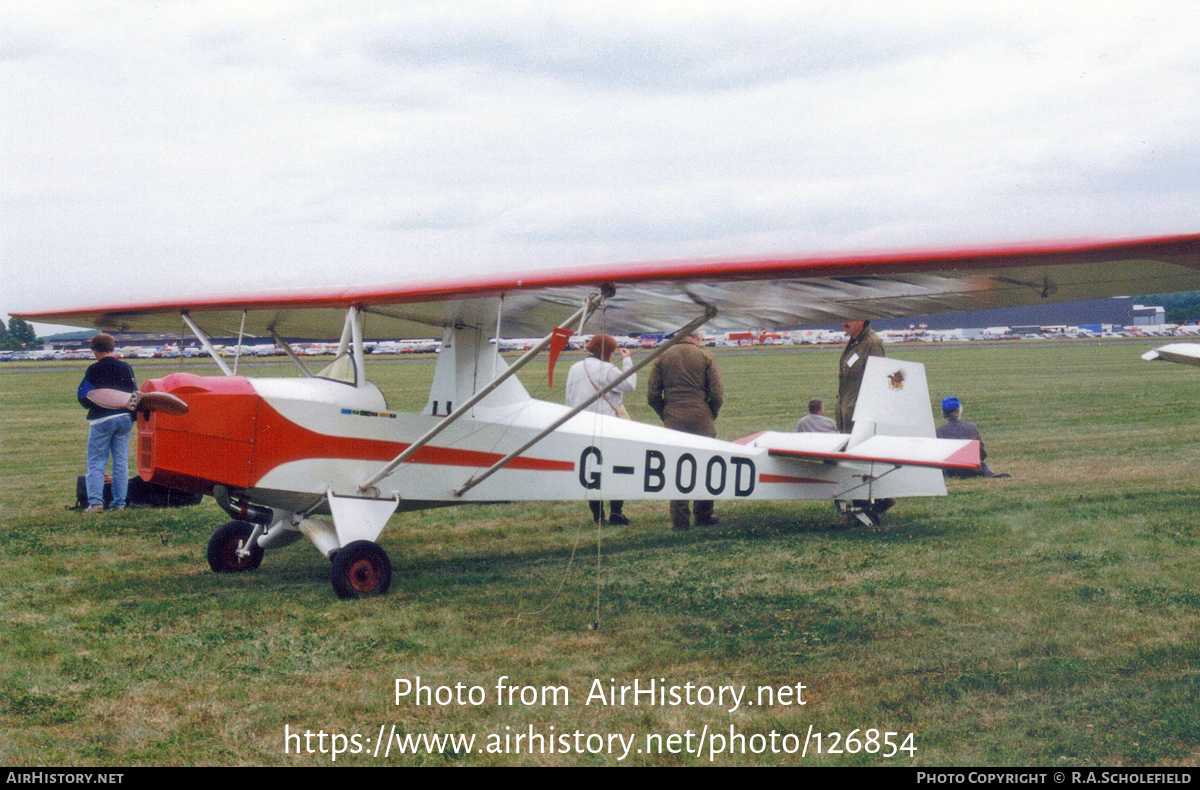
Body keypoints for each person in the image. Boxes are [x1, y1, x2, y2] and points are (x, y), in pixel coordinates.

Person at [647, 332, 724, 530]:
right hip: (701, 417)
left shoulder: (662, 356)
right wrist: (710, 413)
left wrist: (666, 414)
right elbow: (717, 393)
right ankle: (703, 515)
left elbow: (653, 394)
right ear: (696, 338)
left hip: (674, 417)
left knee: (677, 467)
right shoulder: (706, 355)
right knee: (705, 466)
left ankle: (679, 520)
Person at [565, 334, 636, 525]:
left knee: (592, 472)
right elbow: (629, 386)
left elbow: (569, 398)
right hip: (608, 426)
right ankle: (616, 513)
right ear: (608, 351)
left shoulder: (574, 368)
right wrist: (627, 360)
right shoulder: (606, 368)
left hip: (582, 426)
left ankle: (598, 516)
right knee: (616, 469)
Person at [78, 334, 137, 513]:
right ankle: (119, 503)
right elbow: (134, 393)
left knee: (96, 462)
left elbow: (83, 396)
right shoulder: (126, 367)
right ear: (112, 348)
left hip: (102, 419)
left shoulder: (93, 369)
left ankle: (96, 502)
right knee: (121, 462)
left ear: (94, 349)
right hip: (125, 418)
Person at [935, 397, 1007, 478]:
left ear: (943, 414)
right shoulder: (971, 427)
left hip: (951, 471)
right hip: (972, 469)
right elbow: (981, 452)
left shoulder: (938, 431)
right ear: (959, 411)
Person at [836, 319, 885, 433]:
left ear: (862, 320)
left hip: (859, 418)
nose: (844, 324)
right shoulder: (855, 342)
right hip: (847, 414)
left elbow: (877, 381)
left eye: (849, 320)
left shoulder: (872, 343)